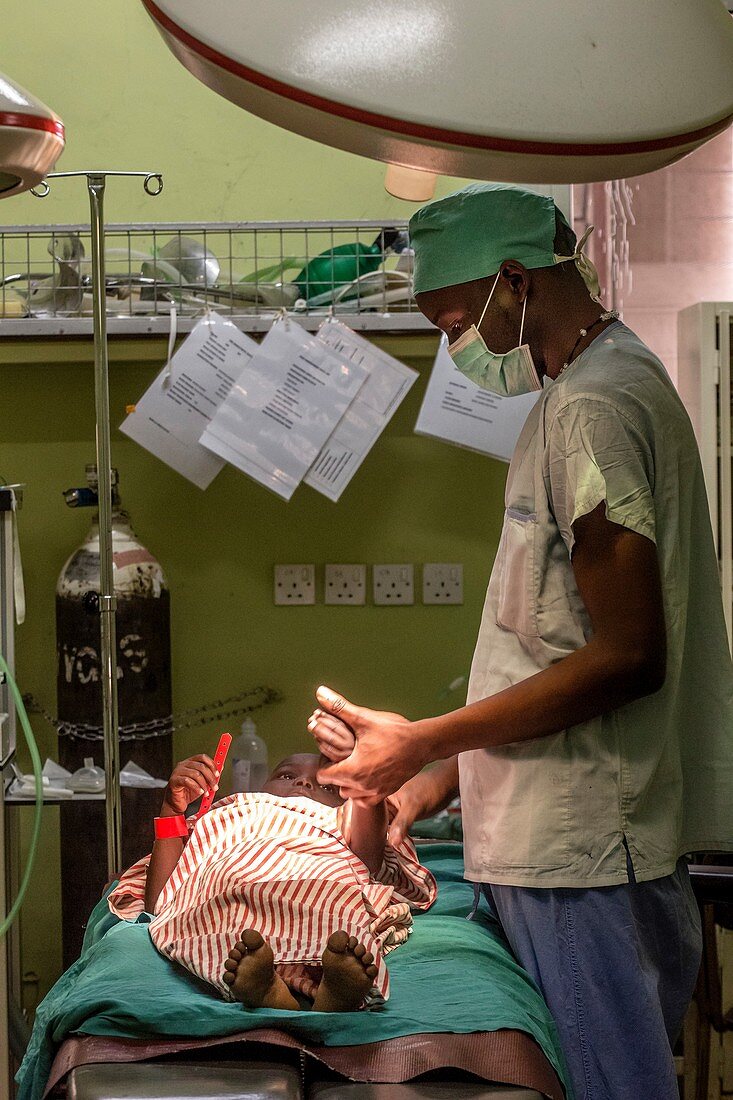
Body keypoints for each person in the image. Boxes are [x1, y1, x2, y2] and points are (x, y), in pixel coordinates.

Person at [308, 184, 733, 1098]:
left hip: (580, 851)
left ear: (513, 280)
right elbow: (542, 641)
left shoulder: (593, 409)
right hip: (566, 838)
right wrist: (433, 778)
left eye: (452, 316)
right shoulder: (588, 388)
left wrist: (426, 737)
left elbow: (625, 656)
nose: (450, 342)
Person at [107, 751, 436, 1012]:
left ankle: (326, 985)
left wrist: (367, 791)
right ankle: (278, 986)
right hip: (226, 886)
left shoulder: (341, 820)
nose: (304, 785)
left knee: (335, 901)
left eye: (326, 785)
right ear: (260, 788)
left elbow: (368, 856)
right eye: (287, 774)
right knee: (208, 908)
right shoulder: (233, 812)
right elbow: (161, 900)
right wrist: (171, 808)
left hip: (317, 880)